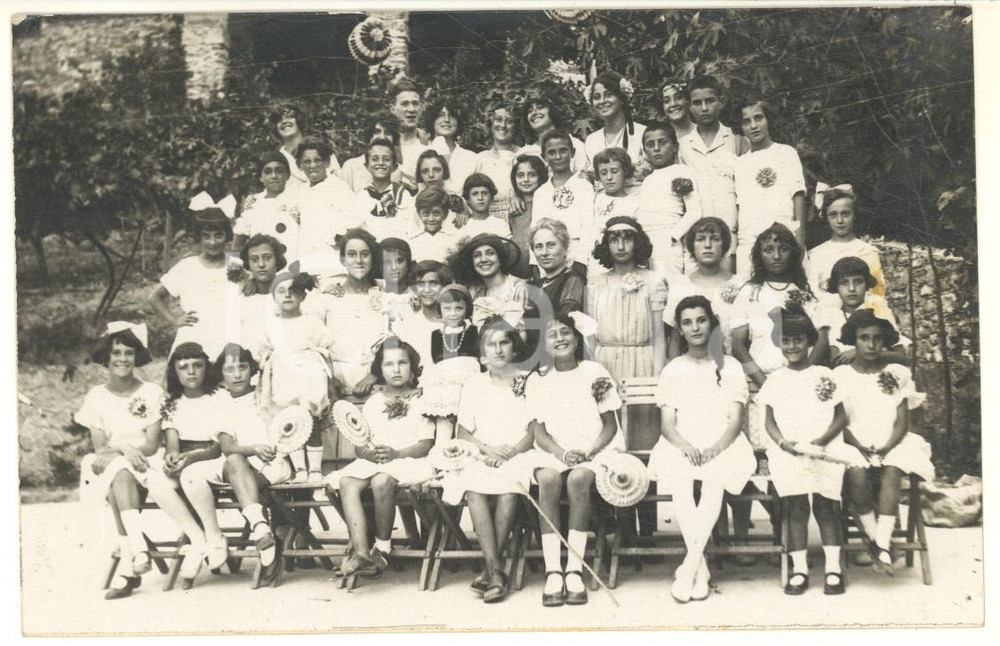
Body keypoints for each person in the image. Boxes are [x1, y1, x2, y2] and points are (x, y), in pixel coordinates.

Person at [647, 296, 754, 603]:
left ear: (712, 322)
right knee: (680, 478)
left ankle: (690, 566)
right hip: (682, 439)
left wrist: (716, 447)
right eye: (687, 322)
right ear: (680, 329)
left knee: (713, 478)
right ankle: (699, 567)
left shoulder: (730, 366)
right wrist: (685, 445)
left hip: (723, 440)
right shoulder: (673, 369)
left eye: (701, 320)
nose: (695, 327)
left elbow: (735, 419)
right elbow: (667, 424)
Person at [730, 223, 821, 558]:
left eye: (783, 248)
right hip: (758, 385)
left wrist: (798, 381)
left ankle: (786, 532)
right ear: (759, 255)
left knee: (785, 456)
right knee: (750, 458)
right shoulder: (749, 293)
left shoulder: (805, 293)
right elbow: (738, 345)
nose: (776, 255)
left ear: (793, 253)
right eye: (769, 249)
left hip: (795, 384)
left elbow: (818, 339)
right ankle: (741, 537)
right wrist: (767, 384)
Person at [522, 314, 623, 606]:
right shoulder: (538, 379)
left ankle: (574, 569)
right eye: (552, 335)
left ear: (577, 339)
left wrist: (589, 452)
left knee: (579, 478)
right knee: (549, 479)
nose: (560, 338)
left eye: (565, 332)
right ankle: (554, 569)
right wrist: (562, 454)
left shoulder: (594, 372)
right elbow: (539, 434)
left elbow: (610, 426)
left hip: (595, 449)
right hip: (553, 451)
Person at [758, 307, 859, 596]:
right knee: (796, 507)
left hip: (824, 446)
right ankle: (799, 570)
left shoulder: (823, 375)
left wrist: (822, 440)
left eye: (798, 340)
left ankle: (832, 570)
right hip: (790, 450)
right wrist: (782, 443)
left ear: (810, 341)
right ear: (779, 344)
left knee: (827, 507)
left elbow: (840, 417)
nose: (792, 346)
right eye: (786, 341)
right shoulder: (775, 380)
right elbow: (769, 421)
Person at [440, 317, 534, 603]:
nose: (498, 349)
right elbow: (464, 432)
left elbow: (535, 430)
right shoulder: (474, 384)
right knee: (473, 485)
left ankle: (491, 570)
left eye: (504, 342)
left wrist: (512, 452)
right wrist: (487, 451)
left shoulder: (527, 381)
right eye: (491, 344)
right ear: (482, 351)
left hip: (520, 453)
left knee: (508, 487)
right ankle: (496, 569)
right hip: (481, 453)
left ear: (515, 348)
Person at [323, 340, 436, 577]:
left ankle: (383, 547)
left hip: (409, 459)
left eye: (402, 363)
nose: (396, 369)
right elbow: (360, 444)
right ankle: (362, 550)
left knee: (381, 481)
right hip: (377, 460)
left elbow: (425, 444)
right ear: (380, 370)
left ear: (413, 368)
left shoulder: (421, 400)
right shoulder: (374, 402)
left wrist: (396, 454)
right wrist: (368, 453)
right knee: (346, 482)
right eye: (389, 364)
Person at [835, 309, 935, 574]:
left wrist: (888, 446)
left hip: (892, 439)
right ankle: (876, 540)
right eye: (864, 338)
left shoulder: (896, 372)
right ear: (853, 342)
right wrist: (859, 445)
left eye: (877, 339)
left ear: (885, 342)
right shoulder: (842, 376)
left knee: (892, 470)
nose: (870, 344)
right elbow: (839, 422)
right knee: (855, 474)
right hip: (854, 441)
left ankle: (880, 541)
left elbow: (903, 421)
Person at [76, 323, 165, 599]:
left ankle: (129, 565)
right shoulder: (96, 396)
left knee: (118, 475)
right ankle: (137, 552)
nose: (123, 359)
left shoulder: (151, 392)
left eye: (129, 352)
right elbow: (100, 448)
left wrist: (125, 452)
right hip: (118, 463)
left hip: (148, 463)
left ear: (137, 357)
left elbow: (151, 445)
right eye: (117, 352)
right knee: (119, 472)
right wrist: (125, 449)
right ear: (107, 356)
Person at [157, 342, 232, 588]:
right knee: (157, 482)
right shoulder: (172, 402)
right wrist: (172, 457)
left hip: (211, 458)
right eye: (183, 367)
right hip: (186, 459)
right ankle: (197, 538)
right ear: (175, 372)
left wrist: (190, 459)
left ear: (206, 368)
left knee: (190, 475)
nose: (191, 372)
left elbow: (218, 446)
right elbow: (172, 443)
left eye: (197, 366)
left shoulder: (219, 397)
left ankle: (215, 535)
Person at [214, 343, 290, 581]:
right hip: (241, 466)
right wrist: (254, 449)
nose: (237, 375)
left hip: (272, 464)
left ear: (252, 370)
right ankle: (261, 528)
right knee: (235, 460)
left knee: (241, 471)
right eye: (230, 369)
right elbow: (227, 448)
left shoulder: (266, 396)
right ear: (221, 375)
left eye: (243, 367)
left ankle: (261, 530)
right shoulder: (222, 404)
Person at [258, 271, 333, 483]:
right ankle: (300, 469)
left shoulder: (311, 322)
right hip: (284, 374)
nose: (288, 296)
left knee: (311, 419)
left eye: (294, 291)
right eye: (281, 291)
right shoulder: (272, 324)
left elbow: (325, 350)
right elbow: (263, 351)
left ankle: (316, 469)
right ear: (274, 297)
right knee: (290, 421)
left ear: (303, 296)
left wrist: (330, 382)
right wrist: (269, 360)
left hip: (309, 374)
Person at [587, 217, 668, 383]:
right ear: (606, 245)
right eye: (614, 240)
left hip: (644, 361)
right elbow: (590, 337)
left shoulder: (653, 282)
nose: (621, 247)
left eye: (627, 239)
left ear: (637, 243)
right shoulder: (595, 284)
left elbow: (659, 335)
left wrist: (660, 374)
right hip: (605, 363)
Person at [677, 75, 747, 262]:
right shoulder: (682, 147)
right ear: (689, 106)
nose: (704, 108)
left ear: (720, 102)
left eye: (710, 101)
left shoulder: (736, 139)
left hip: (732, 232)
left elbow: (747, 188)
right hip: (697, 235)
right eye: (697, 103)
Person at [734, 97, 807, 275]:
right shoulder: (740, 163)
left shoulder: (786, 153)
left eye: (758, 118)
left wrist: (800, 242)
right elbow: (740, 206)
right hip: (750, 242)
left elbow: (798, 197)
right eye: (746, 122)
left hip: (783, 243)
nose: (753, 126)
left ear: (768, 120)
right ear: (741, 128)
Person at [149, 208, 233, 359]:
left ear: (227, 235)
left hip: (228, 336)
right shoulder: (187, 266)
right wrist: (174, 320)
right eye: (206, 236)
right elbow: (154, 297)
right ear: (199, 238)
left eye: (218, 235)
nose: (212, 242)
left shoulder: (237, 266)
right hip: (194, 336)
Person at [664, 217, 741, 359]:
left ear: (724, 245)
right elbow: (675, 340)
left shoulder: (739, 284)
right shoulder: (681, 285)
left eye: (715, 239)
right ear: (692, 246)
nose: (707, 245)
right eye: (700, 239)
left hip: (732, 368)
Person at [815, 256, 910, 367]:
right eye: (844, 283)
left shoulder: (878, 311)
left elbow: (901, 357)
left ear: (867, 284)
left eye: (858, 282)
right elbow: (835, 359)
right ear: (836, 286)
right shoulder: (831, 316)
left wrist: (858, 353)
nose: (851, 288)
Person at [636, 121, 704, 275]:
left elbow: (695, 212)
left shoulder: (681, 171)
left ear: (674, 147)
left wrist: (673, 236)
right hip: (645, 241)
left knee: (669, 284)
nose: (656, 148)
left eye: (662, 142)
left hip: (667, 239)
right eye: (650, 144)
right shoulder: (647, 180)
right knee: (651, 286)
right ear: (645, 150)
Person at [421, 284, 482, 440]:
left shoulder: (474, 332)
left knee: (467, 420)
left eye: (459, 308)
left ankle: (463, 453)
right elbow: (429, 364)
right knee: (444, 422)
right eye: (447, 309)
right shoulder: (435, 335)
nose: (453, 314)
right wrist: (422, 386)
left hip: (469, 384)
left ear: (467, 309)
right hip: (443, 386)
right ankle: (442, 454)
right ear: (440, 310)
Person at [806, 186, 887, 299]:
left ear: (854, 215)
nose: (840, 221)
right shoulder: (817, 254)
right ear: (826, 217)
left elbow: (877, 292)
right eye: (833, 215)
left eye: (845, 214)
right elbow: (813, 293)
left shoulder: (868, 251)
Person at [534, 131, 596, 266]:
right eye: (551, 152)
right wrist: (535, 264)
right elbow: (536, 230)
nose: (558, 157)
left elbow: (588, 228)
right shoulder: (541, 192)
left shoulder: (584, 186)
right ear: (544, 157)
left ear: (572, 152)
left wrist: (581, 262)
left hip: (577, 254)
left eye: (563, 151)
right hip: (548, 257)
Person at [295, 137, 358, 265]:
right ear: (300, 165)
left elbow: (354, 223)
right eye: (307, 161)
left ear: (327, 162)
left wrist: (335, 239)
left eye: (317, 160)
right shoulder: (300, 191)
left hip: (332, 261)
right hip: (306, 259)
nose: (312, 165)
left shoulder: (339, 187)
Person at [233, 152, 301, 258]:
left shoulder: (298, 197)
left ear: (287, 175)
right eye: (268, 172)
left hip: (294, 264)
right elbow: (237, 245)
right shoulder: (253, 204)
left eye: (279, 171)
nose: (274, 176)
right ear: (261, 177)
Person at [451, 233, 527, 329]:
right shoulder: (474, 292)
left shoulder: (519, 288)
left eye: (490, 253)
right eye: (477, 255)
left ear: (501, 259)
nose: (483, 259)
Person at [583, 71, 648, 181]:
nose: (602, 101)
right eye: (597, 97)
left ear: (622, 98)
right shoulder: (592, 140)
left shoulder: (642, 134)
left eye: (608, 95)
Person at [230, 234, 286, 360]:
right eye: (254, 260)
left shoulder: (289, 297)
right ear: (248, 265)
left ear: (277, 261)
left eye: (267, 258)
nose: (261, 264)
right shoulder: (242, 303)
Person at [353, 138, 416, 242]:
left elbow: (411, 229)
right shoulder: (361, 198)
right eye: (375, 159)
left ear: (394, 167)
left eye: (386, 159)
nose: (381, 163)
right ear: (367, 166)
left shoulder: (405, 195)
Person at [589, 147, 639, 267]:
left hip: (623, 262)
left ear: (625, 171)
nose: (609, 177)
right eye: (603, 173)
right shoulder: (595, 199)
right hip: (596, 262)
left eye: (614, 171)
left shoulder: (634, 202)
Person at [518, 89, 588, 174]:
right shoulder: (524, 153)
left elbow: (585, 178)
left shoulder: (574, 144)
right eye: (529, 111)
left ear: (553, 110)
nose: (534, 112)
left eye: (540, 107)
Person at [528, 218, 587, 317]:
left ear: (565, 248)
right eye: (539, 246)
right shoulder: (539, 284)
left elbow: (565, 322)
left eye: (551, 245)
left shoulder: (572, 280)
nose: (544, 253)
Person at [270, 105, 340, 187]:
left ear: (298, 120)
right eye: (279, 120)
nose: (284, 121)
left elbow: (341, 184)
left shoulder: (321, 149)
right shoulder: (275, 160)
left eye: (290, 117)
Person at [394, 260, 448, 366]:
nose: (427, 290)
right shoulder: (408, 321)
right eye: (421, 284)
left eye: (433, 283)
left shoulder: (456, 321)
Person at [474, 103, 521, 221]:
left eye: (509, 121)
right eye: (498, 120)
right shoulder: (480, 159)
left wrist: (520, 195)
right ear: (490, 124)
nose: (503, 125)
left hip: (519, 217)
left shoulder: (524, 154)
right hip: (489, 221)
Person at [424, 97, 479, 194]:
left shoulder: (472, 159)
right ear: (432, 120)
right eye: (441, 115)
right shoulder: (420, 154)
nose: (447, 120)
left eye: (452, 116)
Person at [507, 154, 548, 278]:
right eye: (520, 175)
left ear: (541, 176)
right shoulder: (515, 208)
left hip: (542, 271)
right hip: (518, 272)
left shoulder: (547, 203)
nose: (525, 180)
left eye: (532, 175)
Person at [339, 112, 402, 192]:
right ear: (368, 136)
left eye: (388, 133)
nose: (382, 137)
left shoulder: (399, 170)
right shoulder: (351, 167)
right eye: (376, 132)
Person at [388, 78, 431, 189]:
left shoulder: (430, 144)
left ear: (421, 108)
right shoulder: (386, 145)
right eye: (405, 104)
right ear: (393, 109)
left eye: (415, 104)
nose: (411, 109)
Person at [408, 186, 459, 264]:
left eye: (436, 214)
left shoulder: (453, 240)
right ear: (419, 214)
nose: (431, 219)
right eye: (426, 214)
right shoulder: (412, 241)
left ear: (445, 214)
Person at [461, 173, 512, 239]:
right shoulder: (463, 224)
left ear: (491, 198)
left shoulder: (500, 224)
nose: (480, 198)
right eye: (475, 194)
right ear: (468, 199)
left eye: (484, 193)